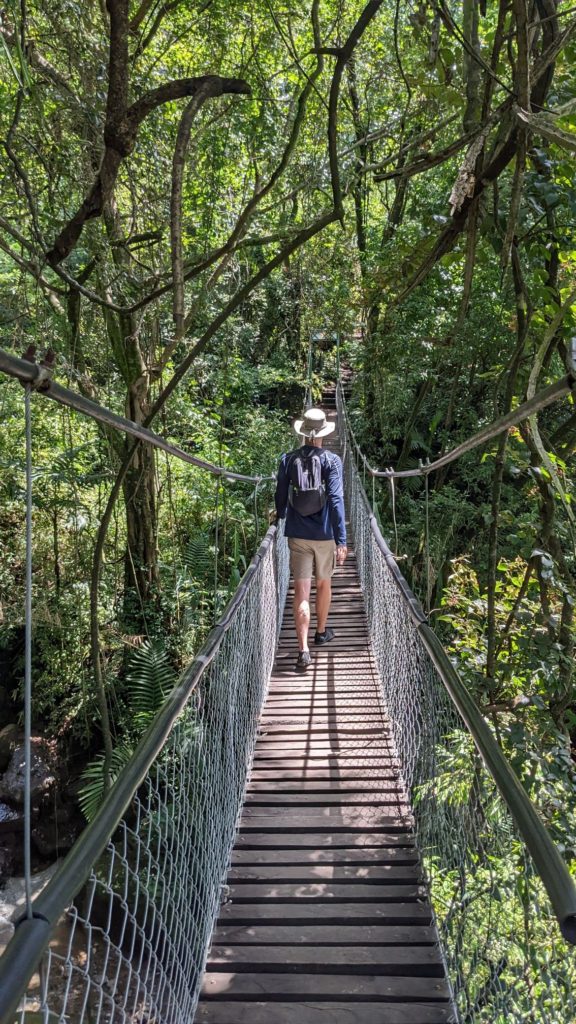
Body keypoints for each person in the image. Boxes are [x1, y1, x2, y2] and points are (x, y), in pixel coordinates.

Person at [275, 407, 348, 672]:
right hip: (325, 534)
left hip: (297, 534)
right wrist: (342, 539)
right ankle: (321, 632)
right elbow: (337, 499)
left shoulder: (287, 459)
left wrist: (280, 515)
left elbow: (281, 494)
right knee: (324, 583)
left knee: (301, 591)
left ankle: (303, 650)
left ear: (304, 433)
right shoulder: (332, 460)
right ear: (324, 435)